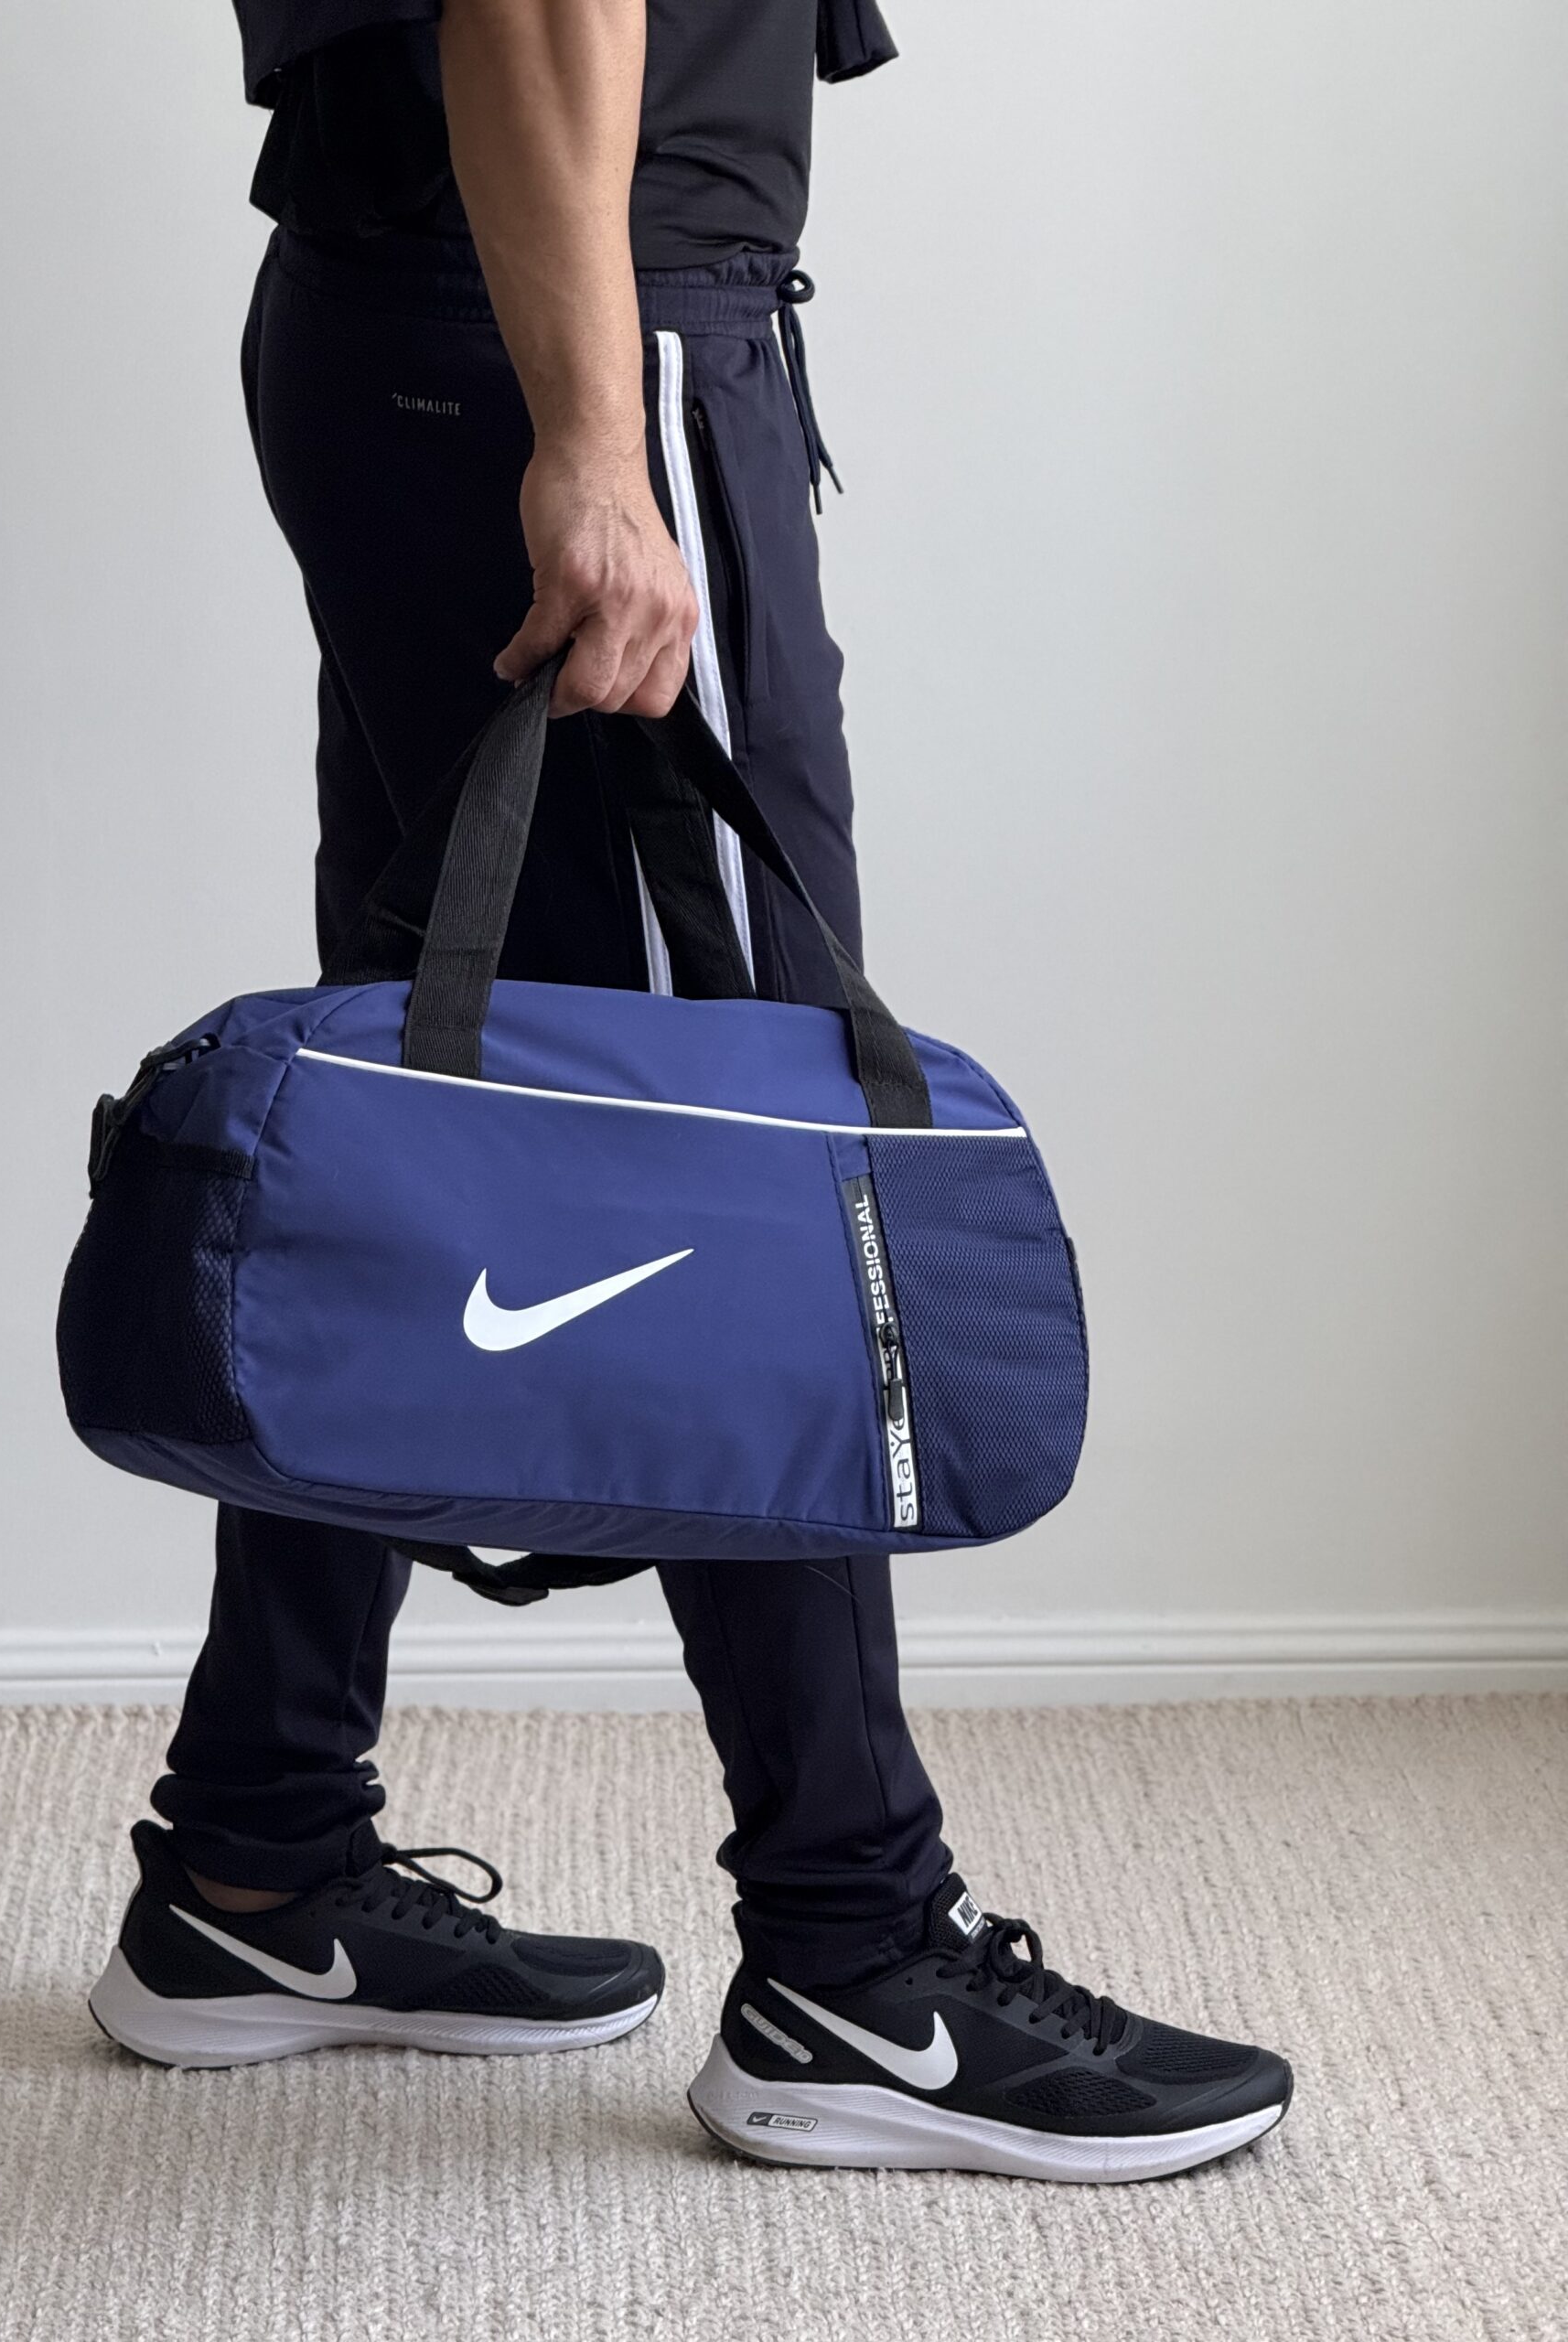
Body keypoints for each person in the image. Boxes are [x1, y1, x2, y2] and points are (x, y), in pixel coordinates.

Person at [87, 0, 1292, 2180]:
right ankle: (858, 1956)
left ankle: (256, 1857)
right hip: (576, 332)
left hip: (428, 306)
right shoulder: (584, 379)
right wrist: (594, 437)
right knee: (756, 1147)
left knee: (430, 1128)